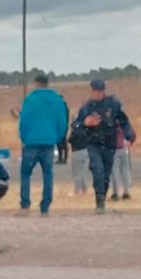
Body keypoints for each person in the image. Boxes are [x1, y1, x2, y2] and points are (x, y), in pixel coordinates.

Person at [72, 79, 135, 214]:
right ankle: (99, 202)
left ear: (103, 91)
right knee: (97, 169)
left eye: (99, 91)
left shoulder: (113, 104)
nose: (97, 93)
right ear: (91, 90)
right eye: (95, 90)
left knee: (106, 174)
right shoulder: (87, 107)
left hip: (109, 144)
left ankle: (102, 195)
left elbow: (124, 121)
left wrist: (129, 136)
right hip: (93, 144)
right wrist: (85, 123)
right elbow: (75, 126)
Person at [18, 75, 67, 217]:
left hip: (31, 143)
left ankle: (25, 205)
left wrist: (24, 137)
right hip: (49, 142)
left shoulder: (30, 99)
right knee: (48, 175)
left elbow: (24, 120)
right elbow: (62, 121)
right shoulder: (57, 99)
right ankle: (45, 207)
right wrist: (57, 137)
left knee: (26, 174)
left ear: (36, 83)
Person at [110, 125, 134, 202]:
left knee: (114, 172)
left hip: (115, 149)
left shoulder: (112, 124)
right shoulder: (125, 124)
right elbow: (132, 134)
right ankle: (127, 192)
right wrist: (130, 141)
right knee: (125, 171)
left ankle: (115, 193)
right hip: (125, 149)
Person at [68, 123, 89, 197]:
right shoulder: (86, 131)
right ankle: (84, 188)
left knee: (77, 172)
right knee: (82, 171)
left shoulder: (75, 132)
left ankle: (77, 190)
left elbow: (70, 140)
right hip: (85, 151)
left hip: (77, 151)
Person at [56, 96, 70, 165]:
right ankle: (60, 157)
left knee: (63, 142)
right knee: (59, 143)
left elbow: (66, 118)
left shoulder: (64, 108)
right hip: (58, 127)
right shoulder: (58, 108)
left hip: (63, 126)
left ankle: (65, 158)